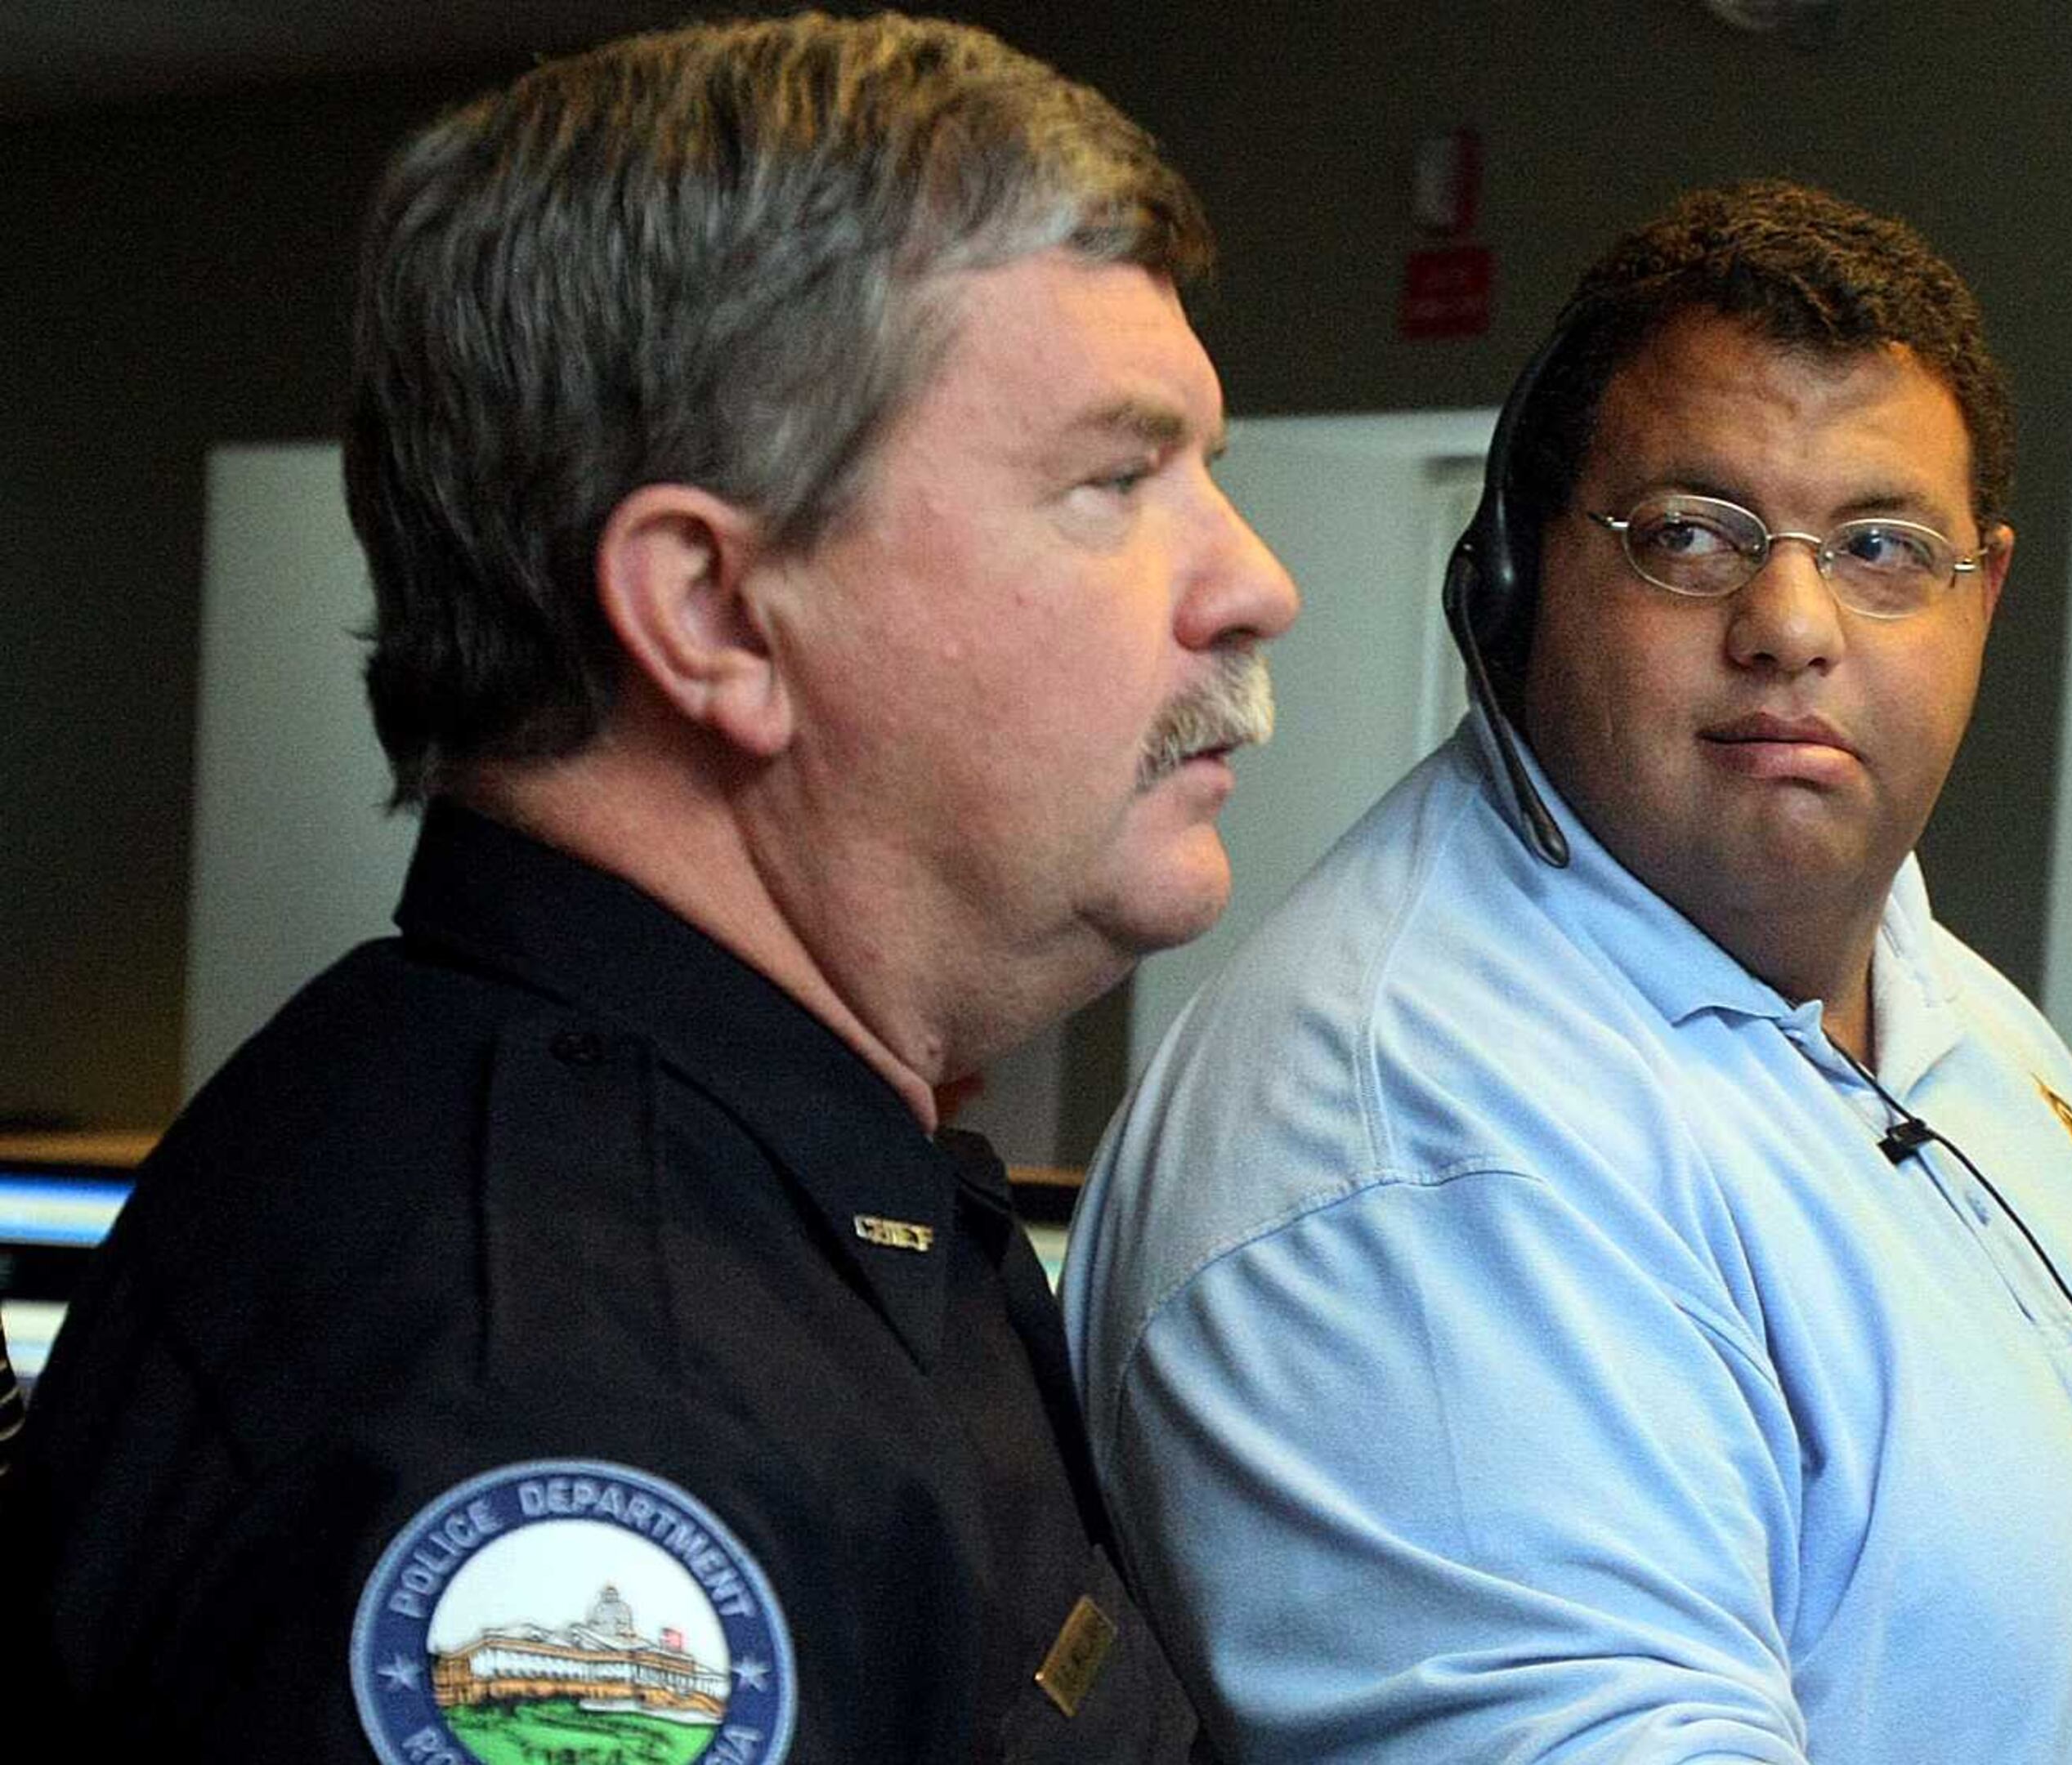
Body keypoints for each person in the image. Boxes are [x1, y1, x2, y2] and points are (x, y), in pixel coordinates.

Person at [1065, 180, 2072, 1762]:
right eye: (1692, 535)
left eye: (1883, 547)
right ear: (1512, 576)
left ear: (1987, 595)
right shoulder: (1421, 1157)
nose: (1790, 622)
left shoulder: (1932, 993)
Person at [8, 16, 1296, 1761]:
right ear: (709, 612)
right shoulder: (567, 1406)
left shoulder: (756, 1189)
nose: (1253, 585)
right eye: (1115, 480)